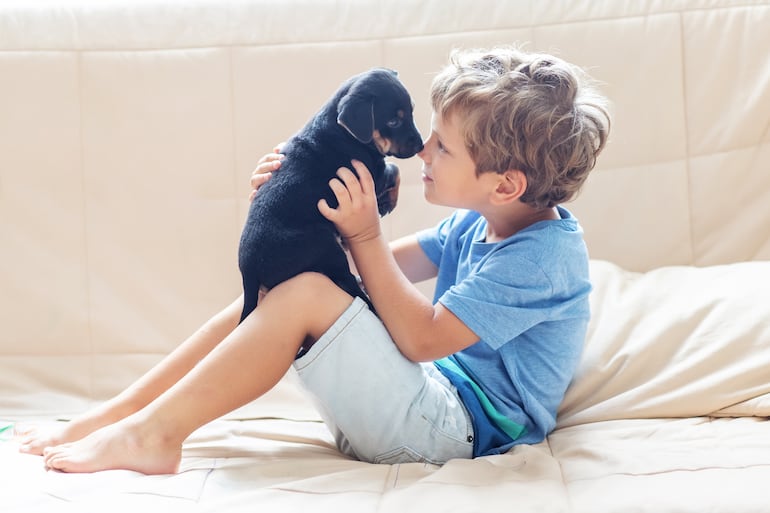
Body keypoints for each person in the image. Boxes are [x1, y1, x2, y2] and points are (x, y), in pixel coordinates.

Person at [20, 46, 610, 473]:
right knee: (285, 284)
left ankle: (154, 435)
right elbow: (352, 278)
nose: (422, 151)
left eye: (443, 146)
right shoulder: (476, 224)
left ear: (504, 185)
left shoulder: (544, 259)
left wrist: (367, 236)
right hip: (415, 403)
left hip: (457, 433)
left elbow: (422, 338)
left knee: (303, 293)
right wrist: (292, 201)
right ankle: (116, 416)